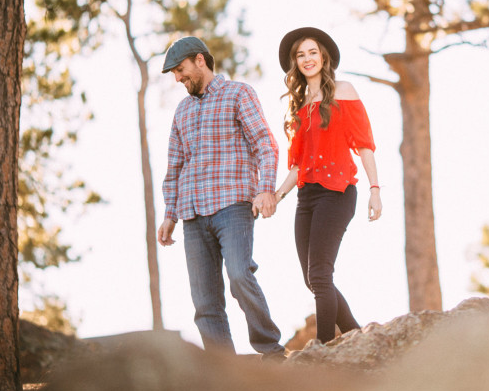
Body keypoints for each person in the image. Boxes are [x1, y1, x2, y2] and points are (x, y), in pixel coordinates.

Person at [157, 36, 286, 360]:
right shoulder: (182, 110)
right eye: (174, 73)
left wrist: (266, 189)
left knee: (240, 275)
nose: (177, 78)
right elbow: (175, 166)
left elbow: (265, 144)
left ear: (200, 60)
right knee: (204, 302)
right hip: (192, 216)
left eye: (180, 69)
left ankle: (270, 350)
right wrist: (170, 214)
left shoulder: (238, 93)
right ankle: (224, 372)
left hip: (233, 207)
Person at [274, 27, 383, 345]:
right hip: (306, 197)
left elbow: (364, 145)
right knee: (313, 279)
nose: (307, 59)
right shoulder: (297, 106)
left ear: (323, 57)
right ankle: (355, 337)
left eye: (312, 52)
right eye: (300, 54)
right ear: (295, 62)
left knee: (320, 273)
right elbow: (297, 166)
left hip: (337, 192)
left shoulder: (344, 91)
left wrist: (375, 189)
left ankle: (321, 350)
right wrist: (277, 196)